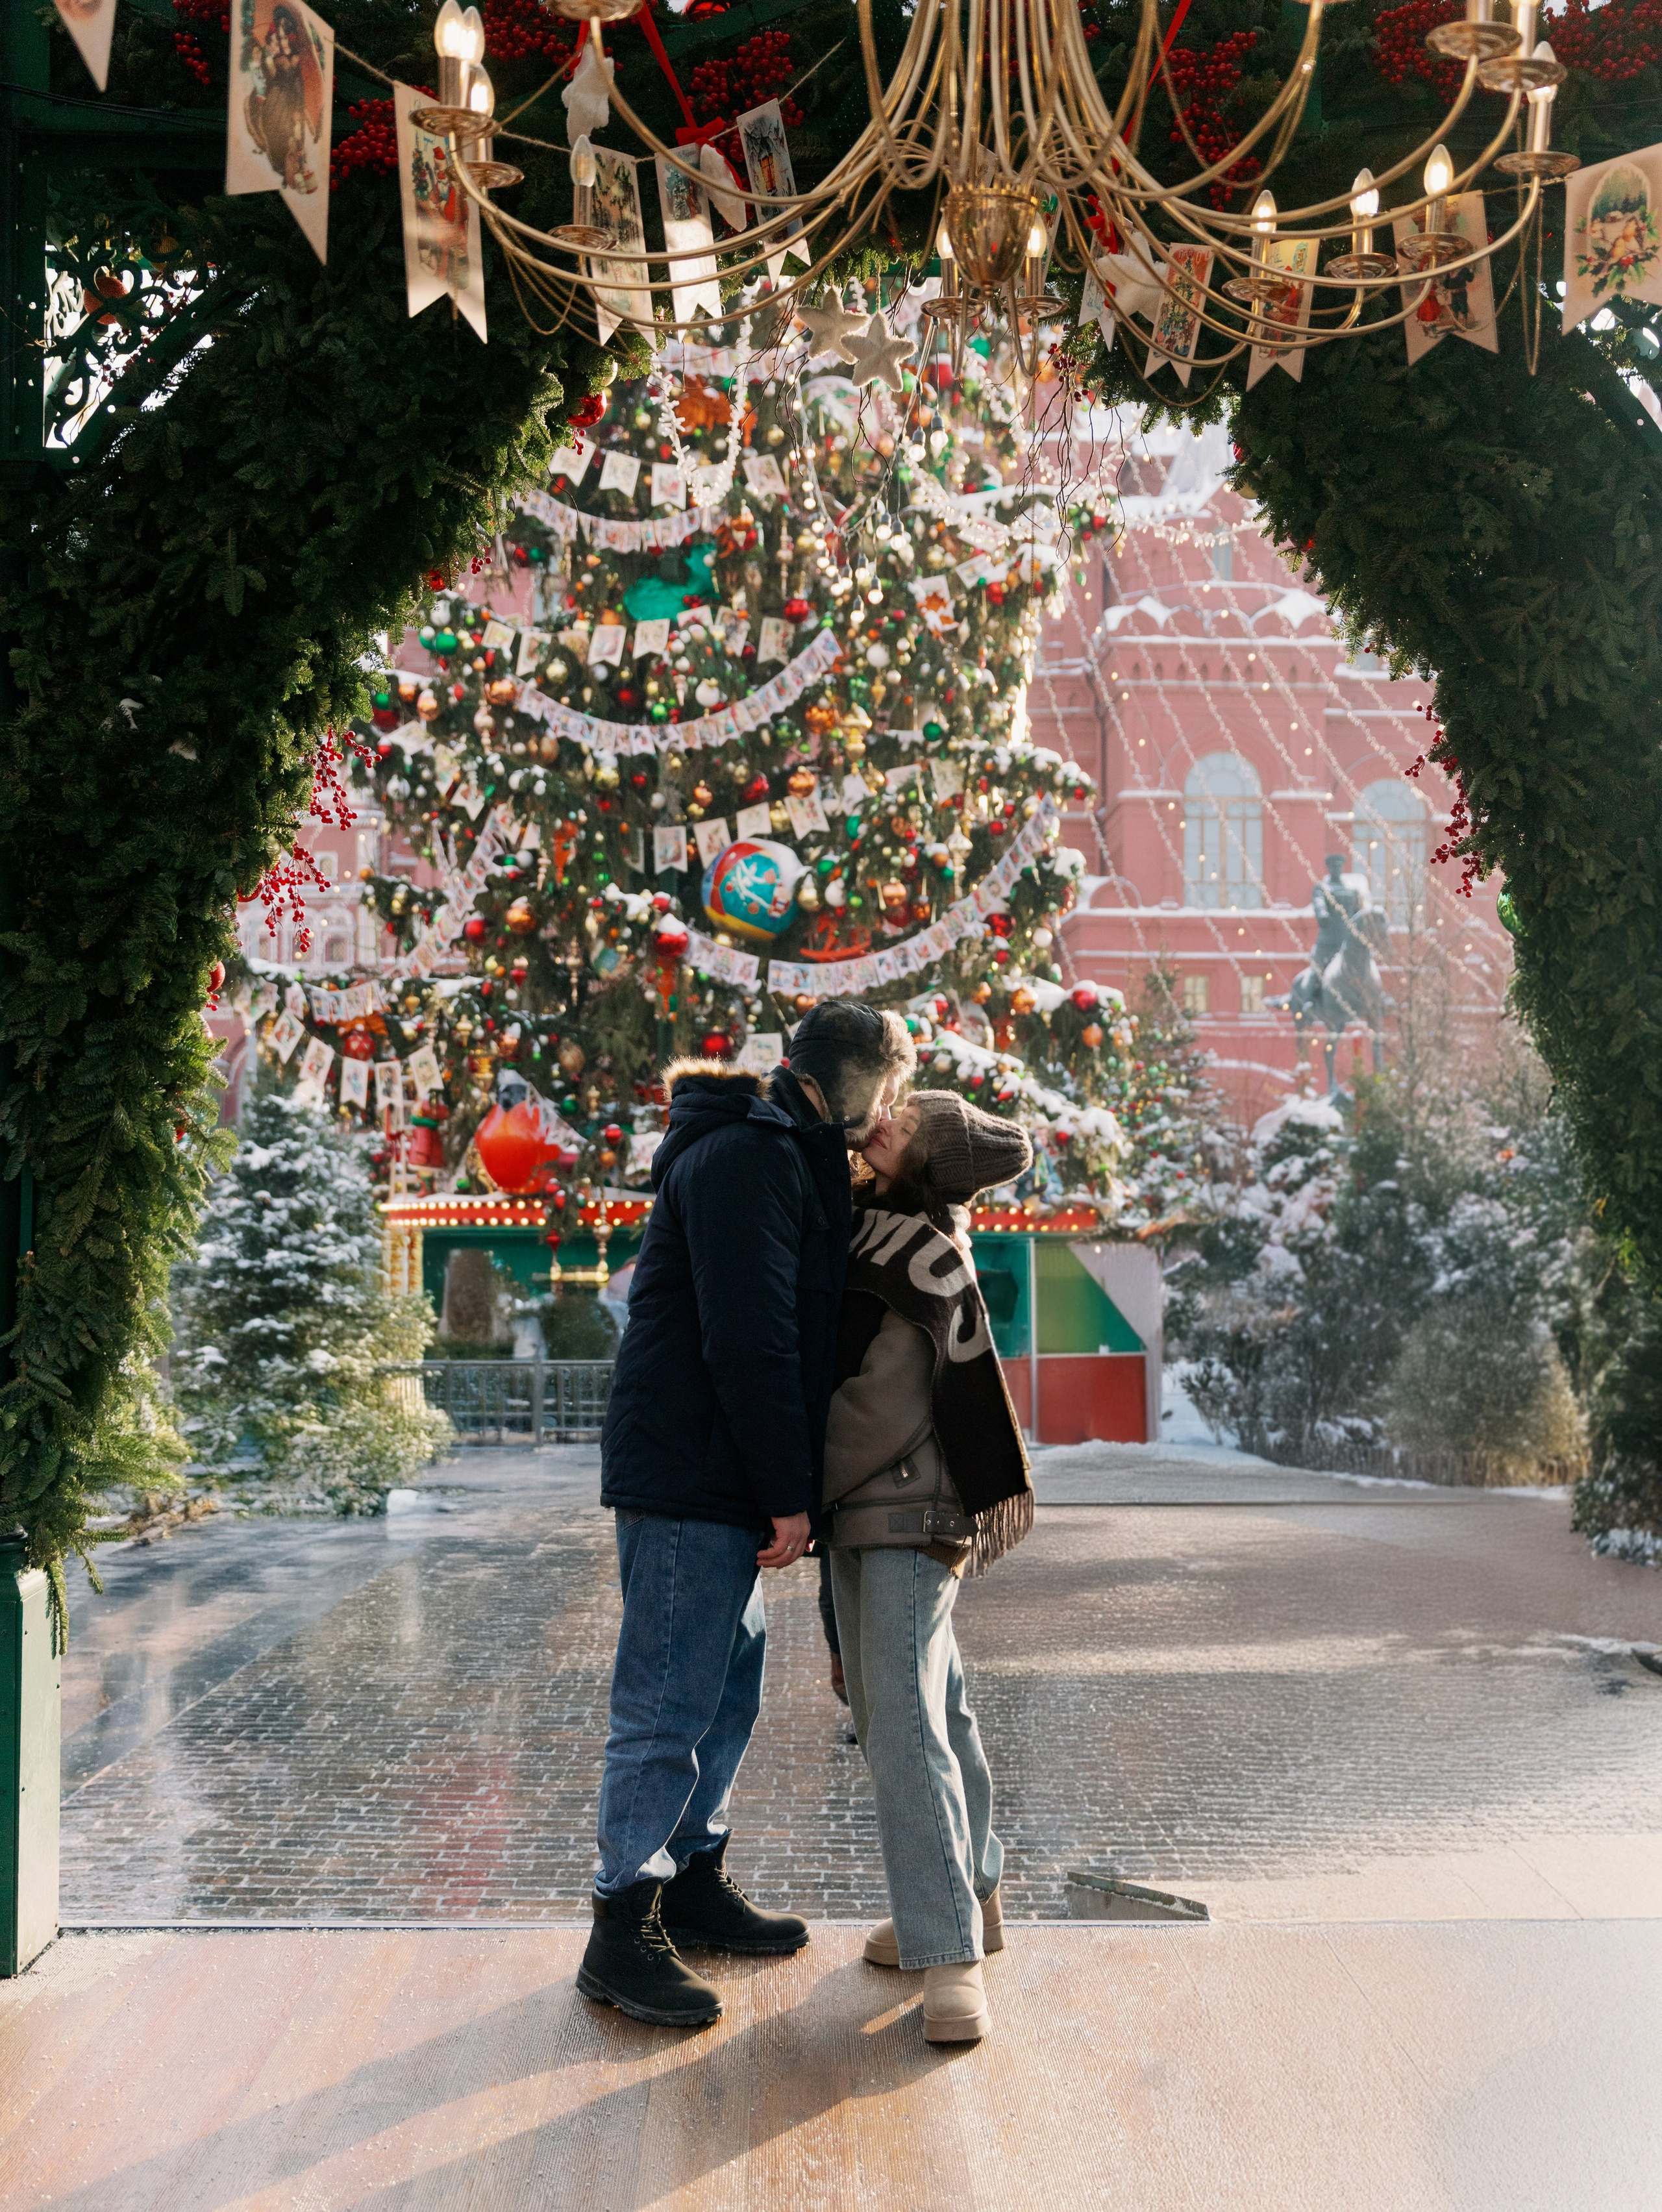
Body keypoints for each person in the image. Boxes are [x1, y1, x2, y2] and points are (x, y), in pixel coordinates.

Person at [578, 1001, 915, 2028]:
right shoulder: (748, 1160)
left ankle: (691, 1880)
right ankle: (617, 1926)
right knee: (668, 1704)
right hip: (695, 1471)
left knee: (727, 1694)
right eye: (889, 1091)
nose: (893, 1112)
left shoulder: (788, 1153)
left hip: (716, 1470)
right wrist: (786, 1495)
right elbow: (752, 1340)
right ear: (847, 1086)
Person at [822, 1090, 1034, 2045]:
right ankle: (973, 1898)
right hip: (878, 1512)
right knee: (933, 1707)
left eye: (901, 1124)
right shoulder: (885, 1225)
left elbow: (880, 1404)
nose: (881, 1123)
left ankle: (945, 1953)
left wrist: (785, 1477)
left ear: (928, 1161)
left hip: (905, 1510)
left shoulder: (922, 1252)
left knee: (901, 1729)